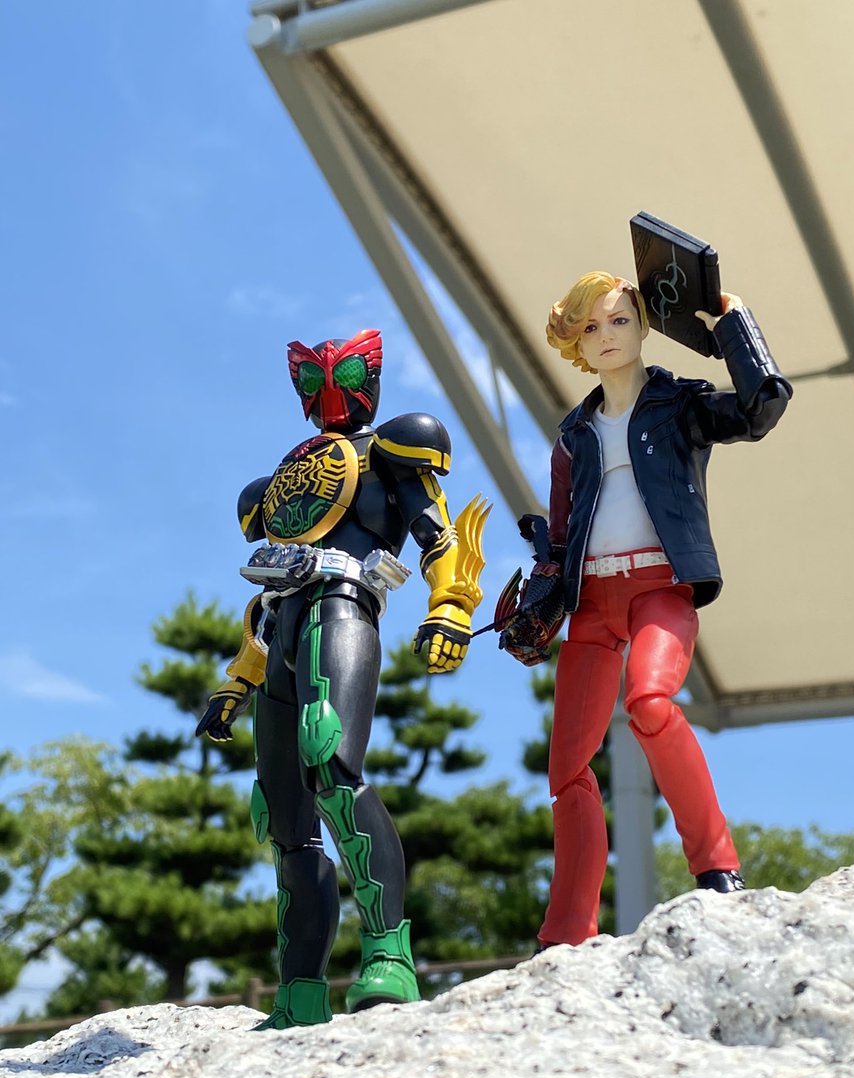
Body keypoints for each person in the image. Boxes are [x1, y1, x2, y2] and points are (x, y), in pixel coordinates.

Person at [196, 329, 489, 1026]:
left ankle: (388, 953)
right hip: (283, 627)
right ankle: (299, 990)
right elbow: (267, 597)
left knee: (332, 764)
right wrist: (238, 681)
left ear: (371, 377)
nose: (329, 391)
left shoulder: (393, 450)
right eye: (314, 379)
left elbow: (440, 538)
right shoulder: (276, 487)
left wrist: (450, 606)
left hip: (343, 605)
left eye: (347, 374)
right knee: (284, 818)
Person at [501, 272, 791, 947]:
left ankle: (716, 868)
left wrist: (734, 324)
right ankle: (567, 930)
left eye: (618, 320)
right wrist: (541, 590)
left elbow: (761, 409)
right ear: (575, 342)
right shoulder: (573, 436)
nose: (606, 335)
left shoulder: (680, 404)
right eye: (590, 326)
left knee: (651, 704)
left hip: (661, 586)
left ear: (642, 325)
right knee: (566, 769)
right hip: (592, 603)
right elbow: (563, 535)